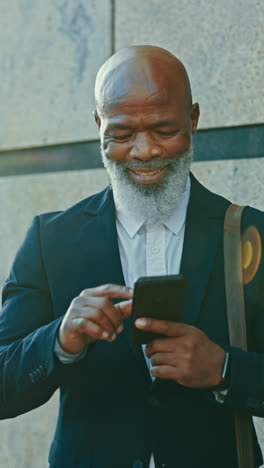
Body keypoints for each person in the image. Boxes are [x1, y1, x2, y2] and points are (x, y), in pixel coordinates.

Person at [0, 45, 264, 468]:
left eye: (164, 129)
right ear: (97, 124)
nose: (144, 151)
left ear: (193, 120)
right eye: (121, 134)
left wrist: (226, 369)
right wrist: (59, 341)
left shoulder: (253, 233)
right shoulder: (49, 240)